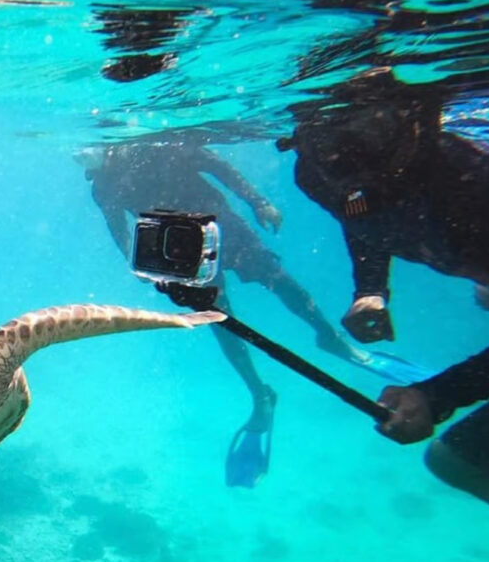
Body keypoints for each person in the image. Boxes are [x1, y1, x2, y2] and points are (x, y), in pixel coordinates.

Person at [282, 67, 489, 510]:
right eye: (326, 139)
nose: (348, 156)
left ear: (417, 118)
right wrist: (371, 289)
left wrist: (438, 396)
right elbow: (361, 211)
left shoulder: (486, 181)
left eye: (368, 130)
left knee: (457, 459)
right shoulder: (318, 173)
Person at [80, 136, 358, 488]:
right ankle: (259, 392)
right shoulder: (104, 186)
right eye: (78, 157)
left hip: (220, 225)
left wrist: (259, 203)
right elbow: (119, 232)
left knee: (276, 279)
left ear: (110, 145)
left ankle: (328, 336)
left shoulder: (161, 145)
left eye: (85, 153)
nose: (83, 161)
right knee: (218, 318)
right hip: (178, 247)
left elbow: (221, 168)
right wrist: (144, 269)